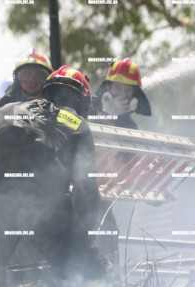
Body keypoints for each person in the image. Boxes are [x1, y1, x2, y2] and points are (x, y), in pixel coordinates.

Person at [0, 66, 121, 286]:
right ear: (82, 101)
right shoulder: (78, 124)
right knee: (96, 273)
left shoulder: (6, 110)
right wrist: (84, 233)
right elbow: (85, 189)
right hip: (47, 208)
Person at [89, 58, 152, 267]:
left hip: (109, 201)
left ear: (135, 96)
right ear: (107, 87)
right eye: (117, 88)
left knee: (109, 254)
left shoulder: (131, 128)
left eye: (128, 91)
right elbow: (82, 136)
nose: (122, 95)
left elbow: (133, 166)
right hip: (79, 194)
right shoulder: (87, 109)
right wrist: (106, 116)